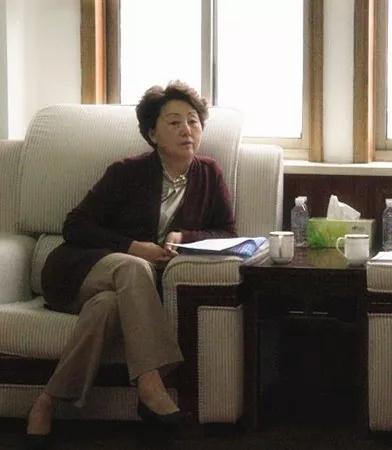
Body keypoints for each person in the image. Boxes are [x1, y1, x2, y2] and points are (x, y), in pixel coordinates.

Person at [24, 81, 236, 448]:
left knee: (107, 307)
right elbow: (75, 226)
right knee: (133, 267)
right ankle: (151, 383)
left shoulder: (209, 174)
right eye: (174, 122)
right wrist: (132, 247)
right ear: (153, 134)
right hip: (79, 272)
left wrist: (184, 237)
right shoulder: (126, 172)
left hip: (126, 293)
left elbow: (227, 232)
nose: (186, 130)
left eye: (193, 121)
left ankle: (46, 401)